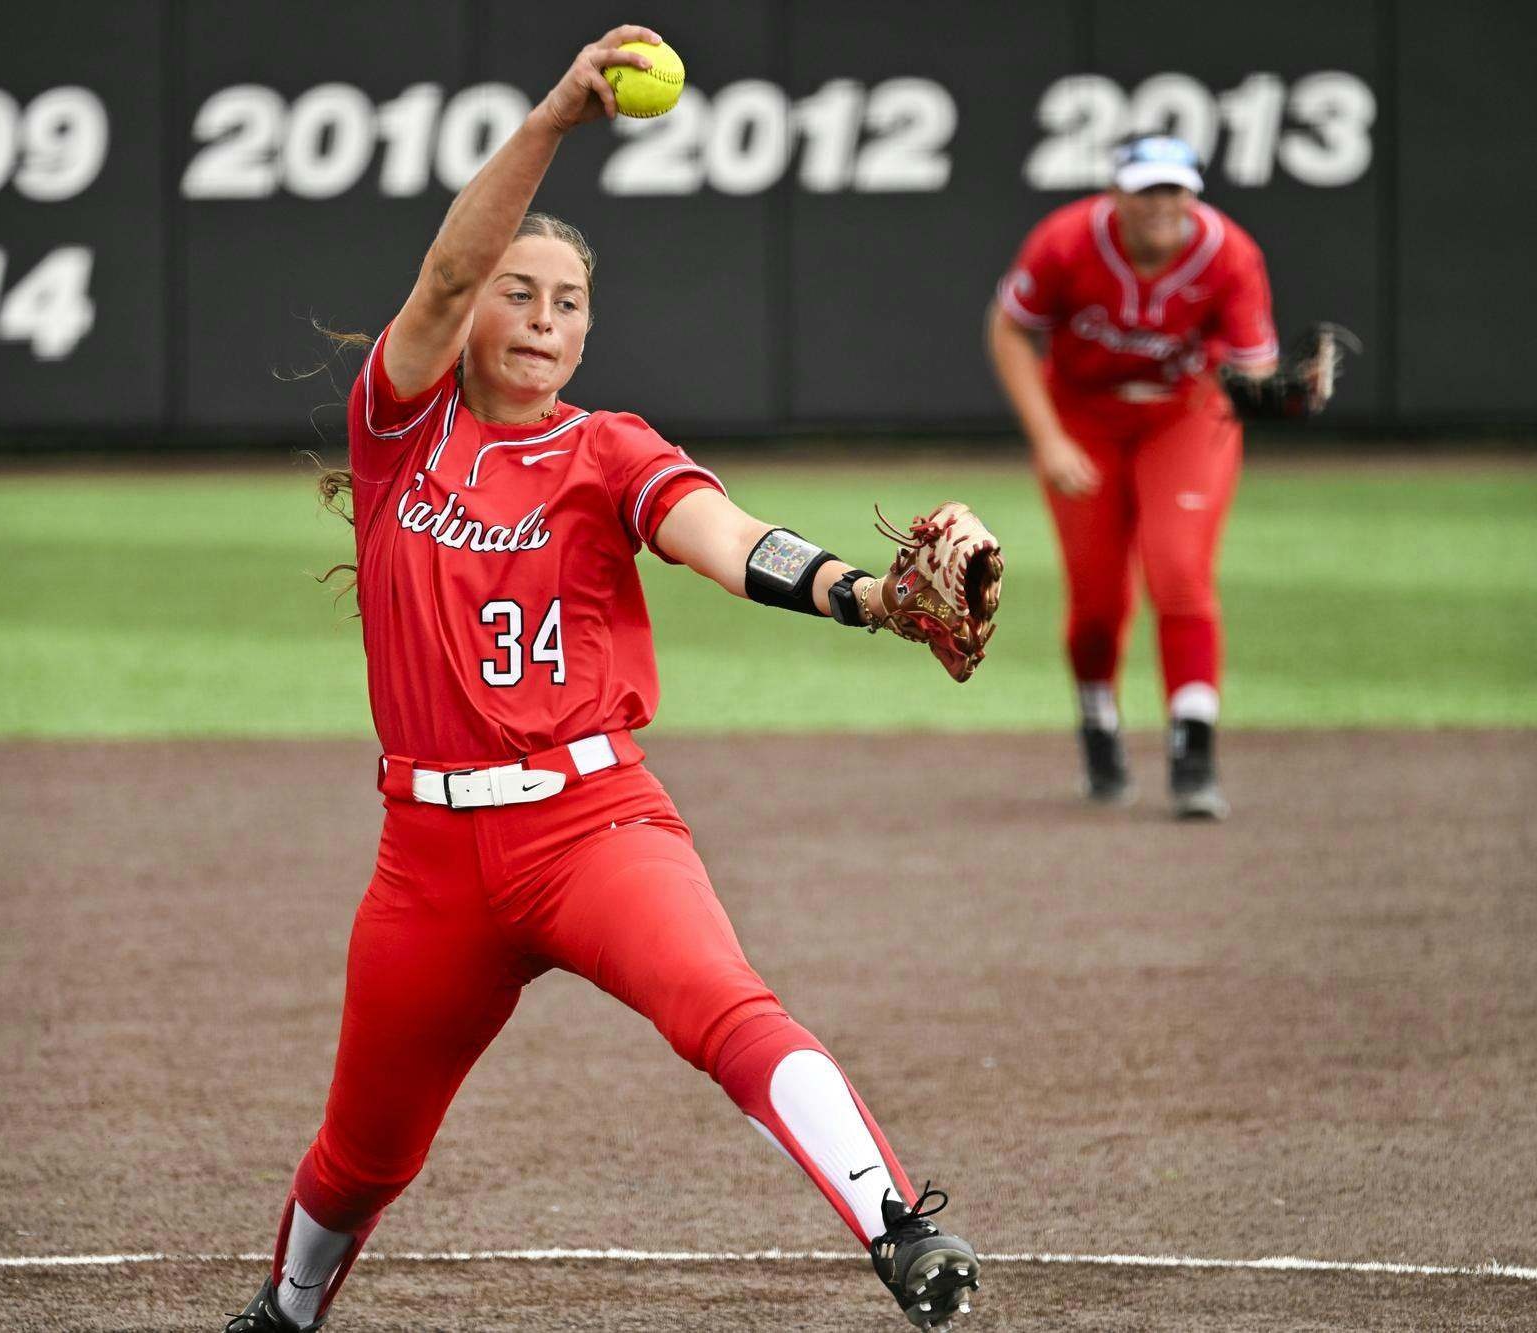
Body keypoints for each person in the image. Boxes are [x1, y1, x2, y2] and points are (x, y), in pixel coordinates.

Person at [224, 26, 998, 1333]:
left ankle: (900, 1226)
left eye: (566, 302)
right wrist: (556, 122)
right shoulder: (401, 432)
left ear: (589, 332)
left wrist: (867, 600)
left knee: (724, 1006)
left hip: (592, 828)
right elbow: (447, 264)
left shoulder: (609, 448)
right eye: (516, 294)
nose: (538, 317)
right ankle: (286, 1313)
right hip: (429, 860)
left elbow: (728, 540)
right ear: (468, 314)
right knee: (365, 1151)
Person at [986, 134, 1304, 820]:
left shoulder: (1230, 254)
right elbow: (1010, 329)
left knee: (1179, 569)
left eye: (1175, 188)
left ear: (1193, 193)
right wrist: (1047, 438)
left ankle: (1194, 752)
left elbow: (1250, 372)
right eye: (1147, 188)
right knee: (1098, 600)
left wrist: (1277, 393)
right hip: (1083, 420)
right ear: (1117, 193)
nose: (1162, 203)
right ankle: (1099, 724)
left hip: (1184, 417)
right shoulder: (1067, 240)